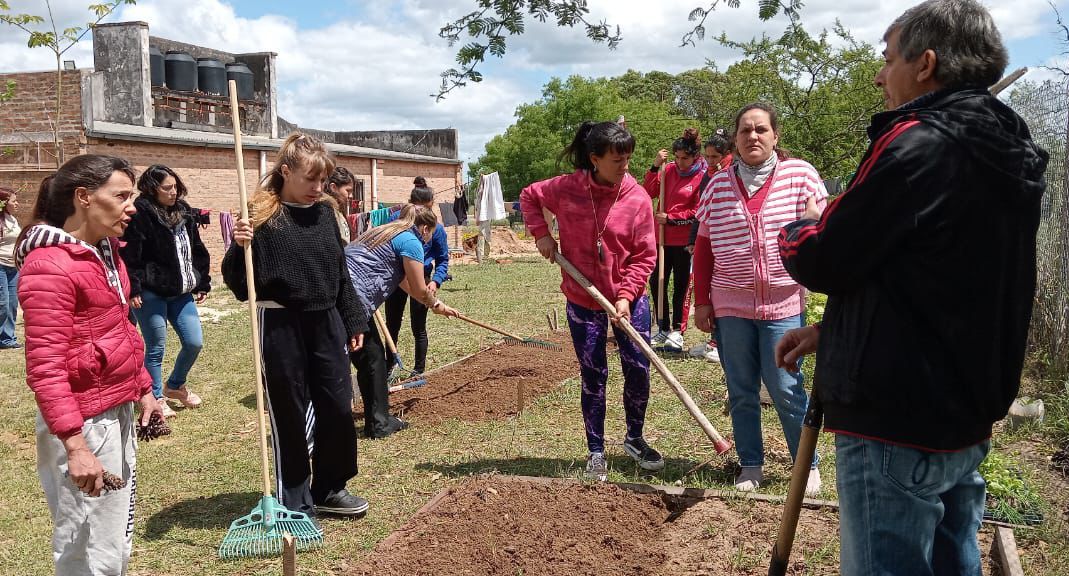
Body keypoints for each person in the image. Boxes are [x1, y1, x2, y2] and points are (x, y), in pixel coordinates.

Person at [775, 1, 1048, 572]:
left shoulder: (916, 145)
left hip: (895, 419)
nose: (879, 75)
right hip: (962, 416)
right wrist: (836, 328)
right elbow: (944, 279)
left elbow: (825, 257)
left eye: (885, 58)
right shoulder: (1006, 147)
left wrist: (795, 227)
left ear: (924, 64)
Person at [15, 155, 164, 575]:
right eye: (121, 195)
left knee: (113, 534)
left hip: (114, 410)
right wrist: (76, 447)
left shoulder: (104, 254)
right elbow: (45, 367)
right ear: (83, 197)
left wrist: (144, 390)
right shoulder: (50, 266)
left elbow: (117, 333)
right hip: (84, 422)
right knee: (86, 541)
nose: (131, 206)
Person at [223, 132, 370, 517]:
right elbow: (240, 285)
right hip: (280, 322)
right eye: (310, 179)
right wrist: (240, 247)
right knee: (288, 411)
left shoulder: (324, 213)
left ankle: (330, 487)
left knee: (338, 406)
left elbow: (341, 272)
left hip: (326, 321)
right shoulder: (261, 216)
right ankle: (295, 495)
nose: (318, 188)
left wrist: (352, 317)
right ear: (286, 171)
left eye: (323, 180)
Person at [692, 103, 828, 495]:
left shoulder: (800, 175)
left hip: (783, 303)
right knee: (741, 388)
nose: (753, 136)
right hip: (731, 304)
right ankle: (751, 464)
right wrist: (703, 302)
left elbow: (817, 225)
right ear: (735, 139)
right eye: (745, 130)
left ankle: (807, 464)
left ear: (775, 136)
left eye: (761, 130)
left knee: (786, 387)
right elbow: (703, 248)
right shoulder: (717, 185)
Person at [521, 120, 663, 481]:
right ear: (594, 159)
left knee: (638, 369)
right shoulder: (567, 189)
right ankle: (596, 450)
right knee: (594, 374)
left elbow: (645, 256)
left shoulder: (637, 199)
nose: (625, 167)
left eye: (629, 158)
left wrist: (627, 296)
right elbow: (529, 196)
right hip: (583, 300)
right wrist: (541, 234)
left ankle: (634, 438)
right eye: (618, 160)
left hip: (629, 301)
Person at [346, 204, 459, 438]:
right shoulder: (411, 241)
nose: (428, 242)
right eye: (430, 236)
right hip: (353, 299)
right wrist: (435, 304)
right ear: (425, 229)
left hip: (342, 292)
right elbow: (419, 289)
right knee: (372, 361)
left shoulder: (384, 232)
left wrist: (436, 304)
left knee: (371, 358)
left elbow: (403, 283)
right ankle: (378, 424)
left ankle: (377, 420)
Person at [121, 165, 210, 418]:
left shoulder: (184, 212)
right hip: (150, 292)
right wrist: (134, 287)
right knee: (156, 347)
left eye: (175, 187)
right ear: (152, 189)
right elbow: (131, 254)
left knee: (194, 342)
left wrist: (202, 282)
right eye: (167, 188)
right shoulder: (140, 215)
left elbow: (197, 248)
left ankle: (175, 385)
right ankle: (156, 396)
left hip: (181, 292)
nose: (174, 192)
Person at [643, 127, 706, 352]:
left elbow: (698, 210)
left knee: (681, 285)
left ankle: (677, 332)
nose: (680, 163)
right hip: (661, 240)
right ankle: (662, 327)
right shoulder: (667, 171)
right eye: (677, 158)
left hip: (684, 240)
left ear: (695, 157)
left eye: (685, 159)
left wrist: (671, 218)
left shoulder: (702, 176)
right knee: (657, 281)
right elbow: (648, 191)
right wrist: (654, 166)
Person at [384, 186, 450, 375]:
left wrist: (436, 281)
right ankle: (389, 367)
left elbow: (443, 258)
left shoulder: (435, 228)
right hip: (397, 276)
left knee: (418, 326)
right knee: (392, 324)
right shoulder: (396, 221)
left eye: (427, 208)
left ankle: (418, 370)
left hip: (422, 277)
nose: (422, 213)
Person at [688, 129, 735, 363]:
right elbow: (701, 210)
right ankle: (714, 340)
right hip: (708, 237)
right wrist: (693, 239)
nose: (710, 161)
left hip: (727, 243)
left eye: (715, 157)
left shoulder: (732, 174)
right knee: (710, 292)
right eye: (707, 157)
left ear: (727, 154)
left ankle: (719, 343)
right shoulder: (709, 174)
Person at [0, 186, 21, 349]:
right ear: (4, 203)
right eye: (14, 201)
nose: (17, 204)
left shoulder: (12, 219)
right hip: (0, 266)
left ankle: (7, 339)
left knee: (13, 303)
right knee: (3, 303)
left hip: (12, 267)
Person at [325, 166, 356, 243]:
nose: (351, 196)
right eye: (348, 191)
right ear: (333, 187)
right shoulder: (326, 212)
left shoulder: (339, 210)